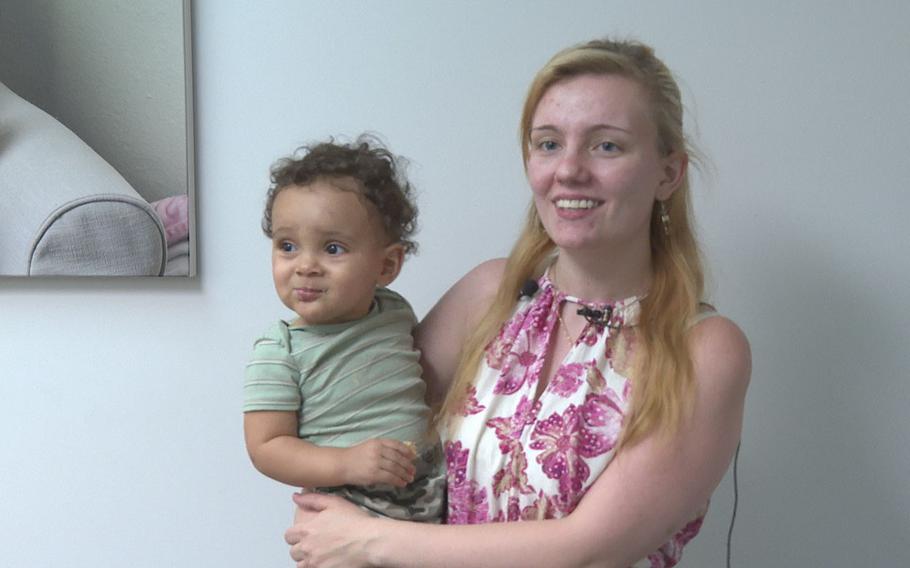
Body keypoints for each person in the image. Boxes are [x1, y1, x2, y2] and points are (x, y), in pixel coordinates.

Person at [285, 38, 751, 568]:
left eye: (607, 146)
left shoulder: (704, 349)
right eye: (549, 144)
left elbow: (589, 551)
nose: (569, 170)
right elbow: (356, 422)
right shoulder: (491, 295)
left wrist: (368, 540)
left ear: (668, 173)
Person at [243, 136, 445, 523]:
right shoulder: (279, 348)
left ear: (386, 266)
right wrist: (346, 464)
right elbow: (266, 446)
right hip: (347, 508)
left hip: (426, 498)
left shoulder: (393, 312)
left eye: (332, 248)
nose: (305, 266)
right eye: (287, 246)